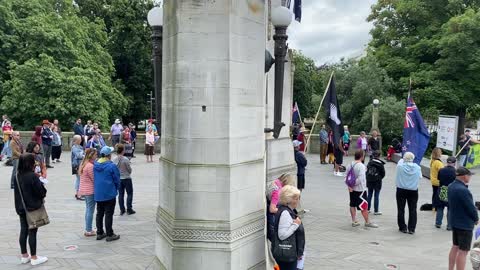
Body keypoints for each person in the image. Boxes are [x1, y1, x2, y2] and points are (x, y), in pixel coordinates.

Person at [14, 153, 48, 266]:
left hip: (21, 207)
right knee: (32, 231)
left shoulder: (17, 175)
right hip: (32, 207)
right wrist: (41, 182)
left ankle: (24, 255)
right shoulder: (32, 176)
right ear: (30, 163)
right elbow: (41, 192)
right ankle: (34, 257)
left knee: (23, 230)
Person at [448, 167, 479, 270]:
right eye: (469, 175)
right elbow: (470, 207)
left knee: (455, 246)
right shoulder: (463, 190)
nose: (470, 177)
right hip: (464, 224)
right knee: (463, 251)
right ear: (464, 176)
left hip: (455, 221)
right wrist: (476, 218)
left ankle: (450, 268)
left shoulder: (451, 186)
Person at [272, 185, 305, 270]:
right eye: (296, 198)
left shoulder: (287, 210)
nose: (298, 201)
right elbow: (282, 235)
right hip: (287, 253)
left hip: (288, 253)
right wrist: (296, 225)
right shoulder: (285, 213)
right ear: (289, 200)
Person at [94, 146, 121, 242]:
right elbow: (117, 179)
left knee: (99, 213)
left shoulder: (95, 164)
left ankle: (100, 233)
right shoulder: (111, 166)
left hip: (98, 193)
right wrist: (116, 189)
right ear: (108, 155)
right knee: (108, 214)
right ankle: (110, 234)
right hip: (109, 193)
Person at [346, 150, 378, 228]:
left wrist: (350, 186)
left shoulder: (349, 164)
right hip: (360, 190)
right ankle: (367, 222)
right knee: (364, 206)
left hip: (351, 189)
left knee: (352, 204)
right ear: (362, 156)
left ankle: (354, 221)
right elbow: (361, 179)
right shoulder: (361, 166)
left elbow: (346, 178)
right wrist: (354, 185)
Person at [395, 152, 422, 234]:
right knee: (413, 209)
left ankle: (402, 227)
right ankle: (412, 228)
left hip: (401, 189)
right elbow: (420, 177)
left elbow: (399, 162)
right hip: (413, 190)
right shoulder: (417, 167)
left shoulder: (400, 167)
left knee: (400, 209)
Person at [266, 174, 293, 241]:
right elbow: (272, 209)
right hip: (273, 221)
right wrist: (283, 210)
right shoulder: (277, 192)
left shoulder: (274, 184)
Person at [78, 148, 98, 237]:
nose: (96, 156)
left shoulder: (84, 163)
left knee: (88, 209)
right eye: (95, 155)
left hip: (85, 190)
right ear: (91, 155)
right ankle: (89, 230)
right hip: (90, 190)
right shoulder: (90, 166)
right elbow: (94, 179)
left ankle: (88, 228)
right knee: (90, 210)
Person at [113, 144, 135, 215]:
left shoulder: (114, 159)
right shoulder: (125, 159)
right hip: (127, 178)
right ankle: (129, 209)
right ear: (123, 150)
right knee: (129, 193)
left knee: (121, 194)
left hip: (119, 179)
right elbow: (129, 170)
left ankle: (122, 209)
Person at [436, 156, 457, 230]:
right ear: (454, 163)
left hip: (442, 189)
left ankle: (438, 223)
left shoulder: (441, 170)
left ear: (447, 162)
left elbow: (438, 178)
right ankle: (449, 225)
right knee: (450, 208)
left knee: (440, 207)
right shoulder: (456, 172)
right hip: (451, 191)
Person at [366, 150, 386, 215]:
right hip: (377, 181)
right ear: (379, 156)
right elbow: (383, 174)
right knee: (376, 195)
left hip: (369, 180)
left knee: (369, 195)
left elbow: (367, 172)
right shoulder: (380, 164)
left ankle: (367, 209)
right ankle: (376, 210)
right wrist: (379, 178)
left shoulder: (370, 162)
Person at [71, 135, 85, 200]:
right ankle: (78, 194)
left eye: (80, 140)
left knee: (80, 179)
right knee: (79, 179)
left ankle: (79, 193)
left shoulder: (79, 146)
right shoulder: (74, 147)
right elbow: (79, 155)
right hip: (77, 165)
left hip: (80, 165)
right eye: (79, 140)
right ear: (76, 141)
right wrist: (84, 154)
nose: (81, 141)